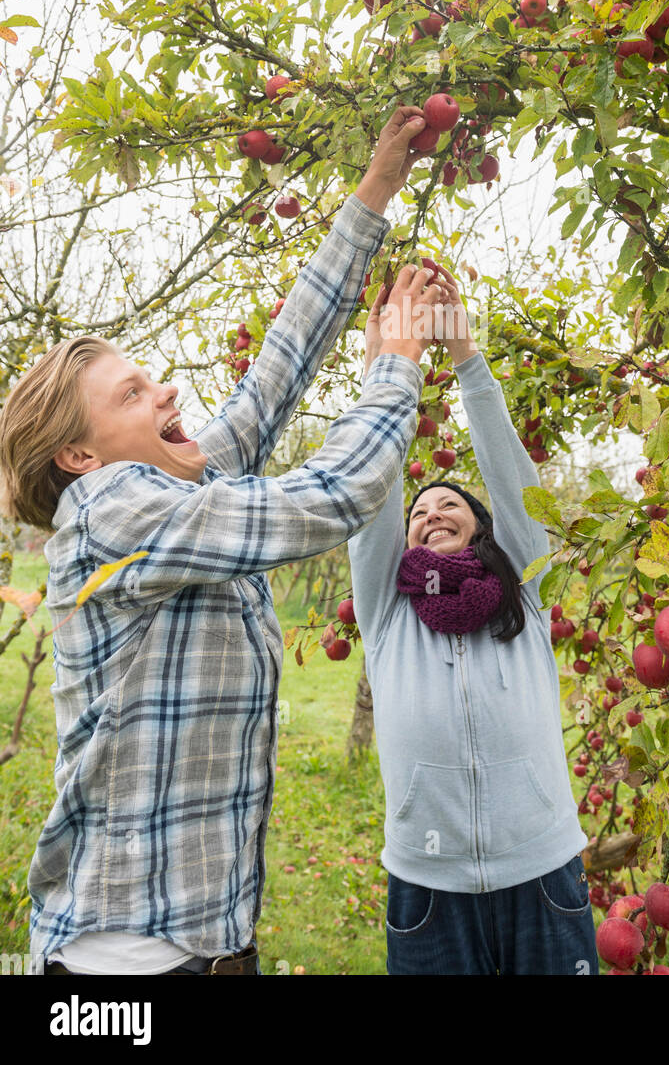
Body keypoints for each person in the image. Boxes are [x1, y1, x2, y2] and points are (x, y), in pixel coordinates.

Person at [0, 105, 442, 976]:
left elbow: (270, 381)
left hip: (207, 940)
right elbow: (333, 495)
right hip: (128, 959)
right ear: (80, 455)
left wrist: (375, 191)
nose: (166, 394)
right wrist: (394, 363)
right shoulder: (112, 506)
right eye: (133, 395)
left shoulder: (175, 489)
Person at [348, 268, 598, 975]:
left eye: (450, 503)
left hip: (543, 873)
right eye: (419, 510)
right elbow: (374, 494)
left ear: (485, 528)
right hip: (428, 886)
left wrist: (465, 357)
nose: (431, 511)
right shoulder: (389, 611)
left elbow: (518, 488)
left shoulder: (522, 590)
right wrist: (386, 369)